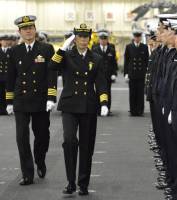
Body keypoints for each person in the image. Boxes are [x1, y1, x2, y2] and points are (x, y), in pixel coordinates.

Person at [48, 23, 109, 196]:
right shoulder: (67, 56)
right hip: (69, 105)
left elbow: (101, 82)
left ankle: (83, 183)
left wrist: (104, 103)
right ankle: (70, 182)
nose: (83, 40)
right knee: (69, 141)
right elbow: (51, 67)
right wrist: (61, 49)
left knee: (87, 146)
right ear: (75, 39)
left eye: (85, 37)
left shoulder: (96, 58)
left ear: (89, 39)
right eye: (79, 37)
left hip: (88, 105)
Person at [6, 15, 57, 185]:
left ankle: (40, 159)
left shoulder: (46, 49)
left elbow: (51, 74)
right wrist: (9, 101)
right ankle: (27, 173)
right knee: (21, 137)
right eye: (24, 29)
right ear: (19, 32)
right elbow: (10, 77)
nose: (28, 31)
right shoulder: (15, 51)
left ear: (35, 30)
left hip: (40, 99)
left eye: (31, 28)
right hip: (21, 99)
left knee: (42, 135)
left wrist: (51, 97)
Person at [92, 29, 118, 115]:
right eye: (101, 39)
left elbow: (114, 63)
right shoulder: (95, 49)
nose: (103, 41)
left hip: (108, 75)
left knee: (107, 91)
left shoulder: (111, 50)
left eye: (105, 39)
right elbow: (92, 62)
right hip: (98, 75)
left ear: (107, 40)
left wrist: (114, 73)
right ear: (99, 39)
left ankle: (107, 108)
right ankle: (98, 109)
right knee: (98, 92)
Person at [124, 30, 149, 116]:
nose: (137, 38)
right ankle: (133, 110)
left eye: (139, 37)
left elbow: (146, 61)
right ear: (134, 37)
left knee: (140, 93)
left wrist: (146, 73)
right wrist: (126, 73)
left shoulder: (144, 47)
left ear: (140, 38)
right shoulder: (129, 47)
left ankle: (140, 110)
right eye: (136, 37)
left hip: (141, 74)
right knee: (132, 93)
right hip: (132, 73)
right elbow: (126, 61)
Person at [0, 34, 11, 115]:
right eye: (3, 40)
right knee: (0, 93)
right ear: (1, 42)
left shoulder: (11, 51)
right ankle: (1, 109)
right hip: (0, 76)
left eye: (7, 40)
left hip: (8, 76)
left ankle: (7, 108)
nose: (5, 42)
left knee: (8, 94)